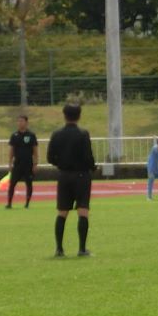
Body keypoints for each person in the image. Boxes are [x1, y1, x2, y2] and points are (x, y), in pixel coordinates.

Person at [46, 101, 97, 257]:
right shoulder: (83, 134)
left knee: (62, 212)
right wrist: (92, 167)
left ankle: (59, 249)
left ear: (64, 115)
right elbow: (88, 156)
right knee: (83, 210)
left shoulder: (56, 134)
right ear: (79, 116)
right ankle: (82, 248)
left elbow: (50, 157)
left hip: (64, 175)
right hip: (81, 175)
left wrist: (61, 164)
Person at [6, 114, 38, 209]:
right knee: (12, 184)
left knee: (29, 183)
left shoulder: (31, 135)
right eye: (18, 121)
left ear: (26, 122)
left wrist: (35, 164)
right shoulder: (14, 135)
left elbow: (35, 150)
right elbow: (11, 150)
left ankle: (27, 203)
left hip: (28, 164)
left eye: (22, 121)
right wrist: (10, 163)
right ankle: (9, 203)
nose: (20, 123)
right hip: (17, 164)